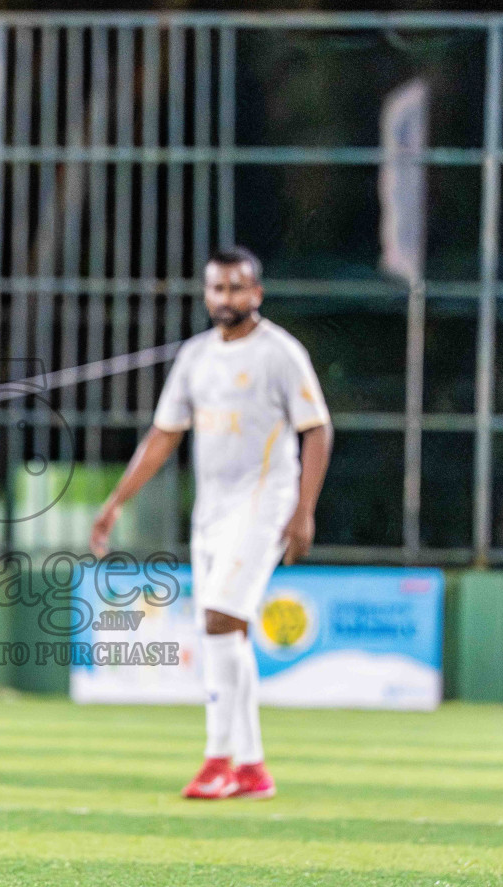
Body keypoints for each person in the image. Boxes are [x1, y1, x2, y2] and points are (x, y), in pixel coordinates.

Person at [90, 247, 332, 801]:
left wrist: (303, 510)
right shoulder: (197, 356)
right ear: (207, 295)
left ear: (257, 294)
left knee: (219, 622)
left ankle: (218, 759)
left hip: (265, 503)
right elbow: (163, 435)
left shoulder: (280, 353)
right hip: (213, 511)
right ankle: (252, 767)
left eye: (236, 288)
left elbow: (316, 429)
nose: (226, 298)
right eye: (217, 289)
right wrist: (116, 501)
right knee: (229, 631)